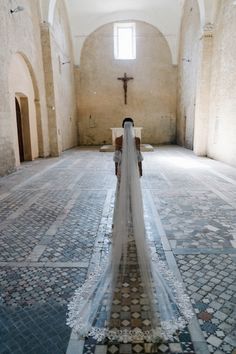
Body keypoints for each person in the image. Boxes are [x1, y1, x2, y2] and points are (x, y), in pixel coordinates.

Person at [67, 119, 194, 343]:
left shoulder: (117, 140)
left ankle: (121, 220)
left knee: (120, 200)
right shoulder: (136, 140)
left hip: (122, 178)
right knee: (135, 201)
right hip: (133, 178)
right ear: (132, 127)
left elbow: (116, 164)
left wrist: (120, 177)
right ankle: (135, 220)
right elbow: (139, 162)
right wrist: (137, 176)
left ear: (121, 126)